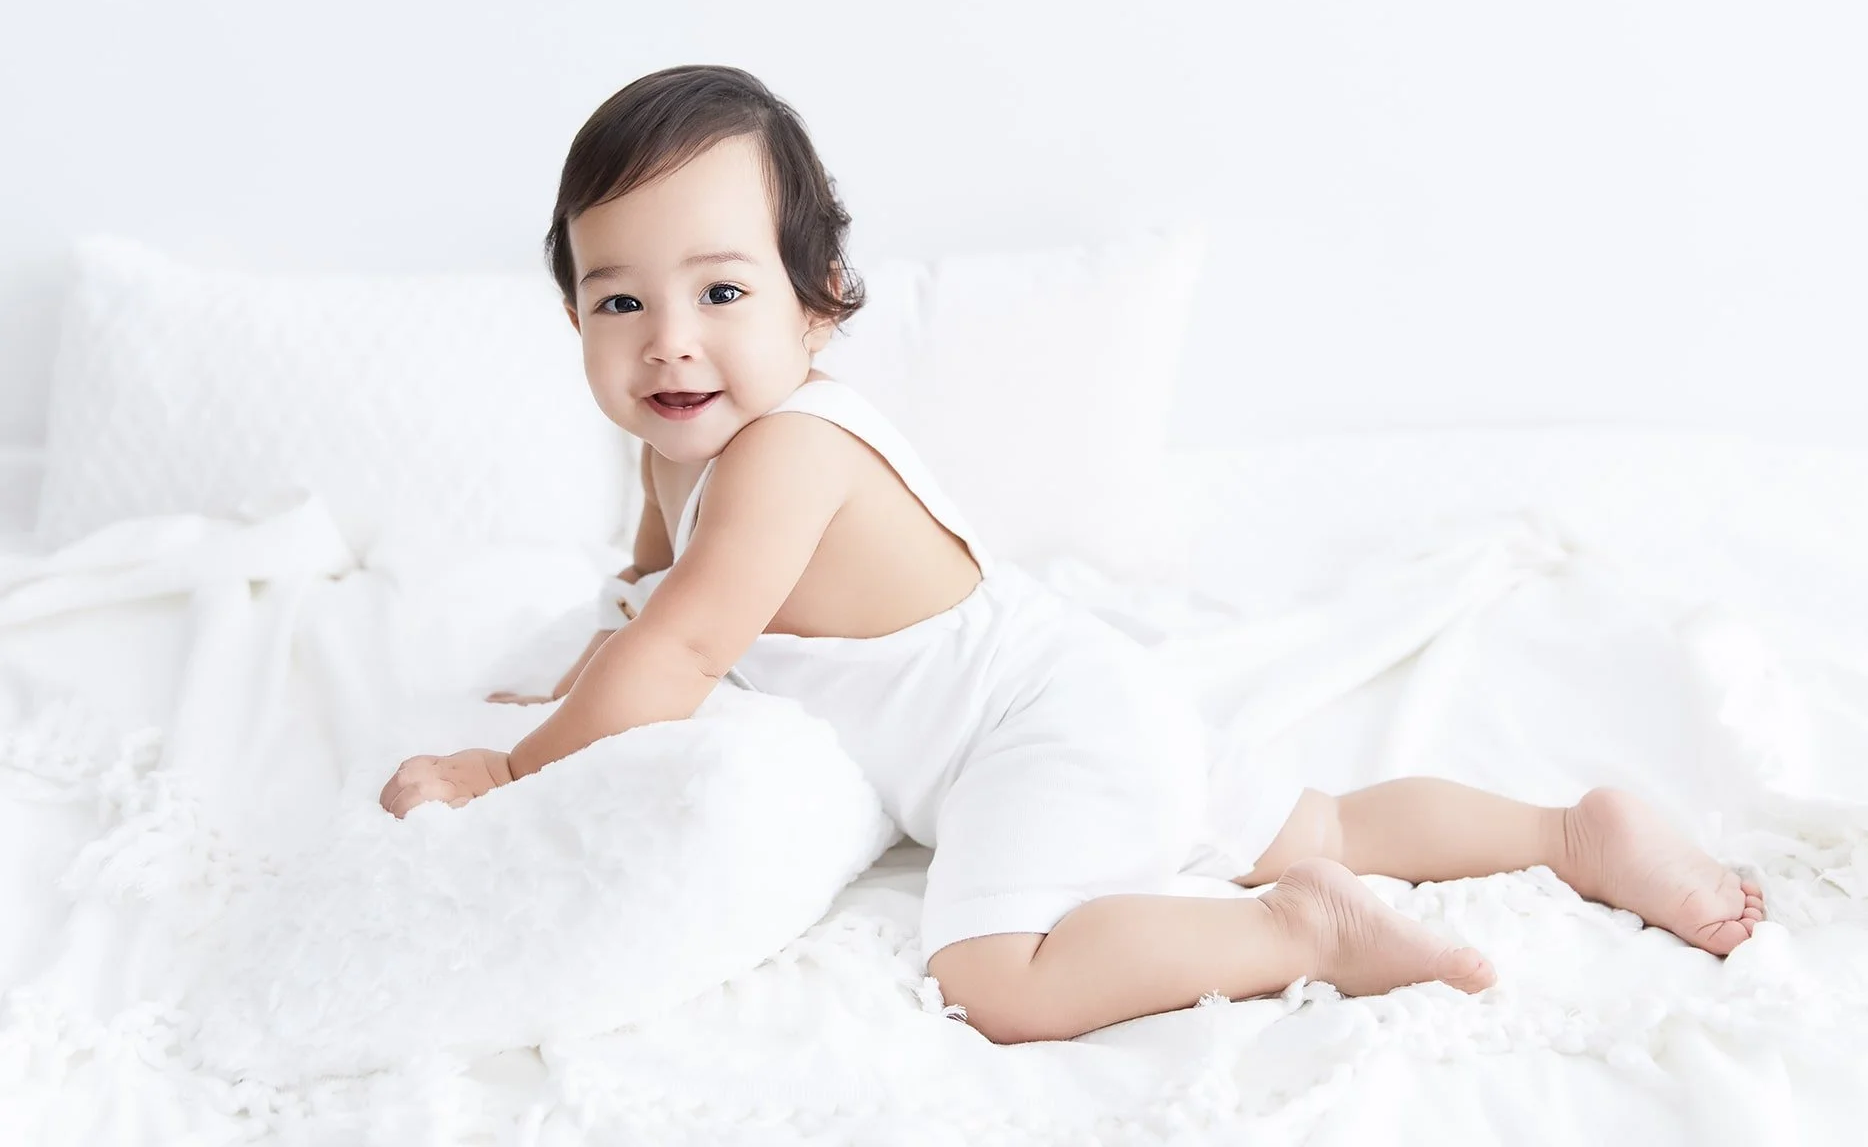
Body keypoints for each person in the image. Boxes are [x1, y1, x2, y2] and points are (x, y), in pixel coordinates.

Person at [376, 65, 1765, 1046]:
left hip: (1031, 739)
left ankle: (1300, 938)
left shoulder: (784, 454)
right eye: (620, 297)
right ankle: (1570, 834)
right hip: (1084, 681)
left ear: (820, 310)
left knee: (998, 978)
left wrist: (510, 767)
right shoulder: (673, 448)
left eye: (721, 290)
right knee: (1324, 815)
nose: (668, 336)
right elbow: (649, 598)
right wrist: (586, 659)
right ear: (574, 320)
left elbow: (681, 651)